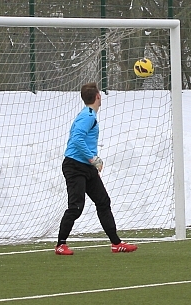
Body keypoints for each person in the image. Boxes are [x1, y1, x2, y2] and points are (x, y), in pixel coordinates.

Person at [56, 82, 138, 256]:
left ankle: (116, 243)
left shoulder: (89, 114)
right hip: (75, 166)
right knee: (76, 207)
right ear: (98, 97)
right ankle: (60, 244)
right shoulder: (88, 117)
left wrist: (92, 161)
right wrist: (93, 158)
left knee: (103, 201)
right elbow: (77, 139)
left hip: (86, 167)